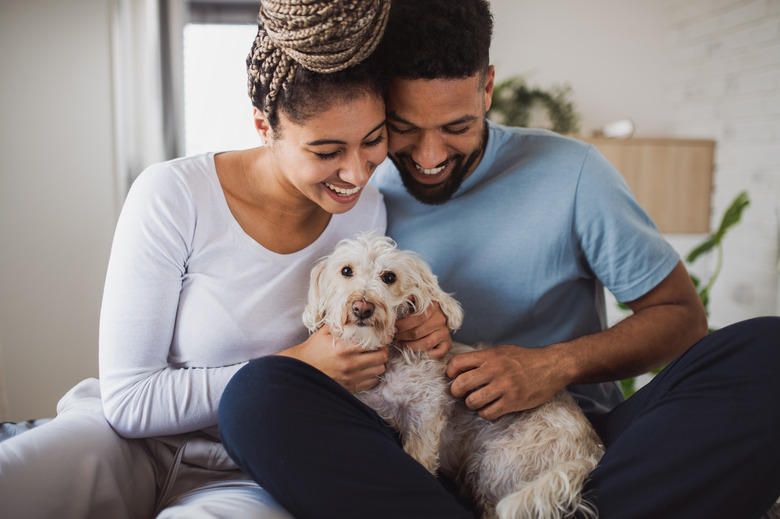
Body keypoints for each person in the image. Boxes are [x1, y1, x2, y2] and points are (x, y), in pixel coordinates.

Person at [218, 1, 780, 518]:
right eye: (404, 130)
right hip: (407, 456)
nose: (431, 157)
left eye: (457, 126)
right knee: (256, 398)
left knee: (768, 352)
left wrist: (553, 366)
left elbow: (683, 320)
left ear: (487, 87)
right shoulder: (354, 188)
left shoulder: (573, 173)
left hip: (578, 438)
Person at [0, 1, 450, 517]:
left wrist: (420, 326)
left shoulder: (366, 210)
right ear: (263, 125)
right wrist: (298, 366)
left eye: (373, 141)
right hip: (115, 442)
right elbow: (128, 403)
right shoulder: (173, 194)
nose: (355, 172)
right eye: (326, 152)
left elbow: (366, 331)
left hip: (256, 468)